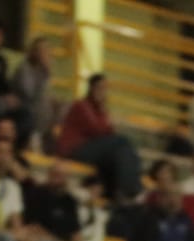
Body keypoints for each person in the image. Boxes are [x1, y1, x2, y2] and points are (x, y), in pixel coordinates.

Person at [54, 74, 142, 202]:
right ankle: (130, 190)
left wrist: (104, 114)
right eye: (100, 88)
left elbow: (108, 132)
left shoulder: (100, 111)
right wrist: (104, 114)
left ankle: (121, 193)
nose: (103, 92)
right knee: (122, 142)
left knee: (122, 152)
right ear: (92, 89)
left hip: (92, 149)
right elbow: (98, 130)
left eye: (105, 89)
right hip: (74, 150)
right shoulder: (81, 106)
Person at [11, 35, 57, 150]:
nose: (45, 53)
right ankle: (35, 137)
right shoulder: (24, 68)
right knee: (41, 106)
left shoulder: (41, 71)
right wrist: (45, 74)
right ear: (34, 51)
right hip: (23, 104)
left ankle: (44, 138)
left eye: (47, 50)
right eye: (42, 50)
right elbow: (28, 92)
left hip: (36, 106)